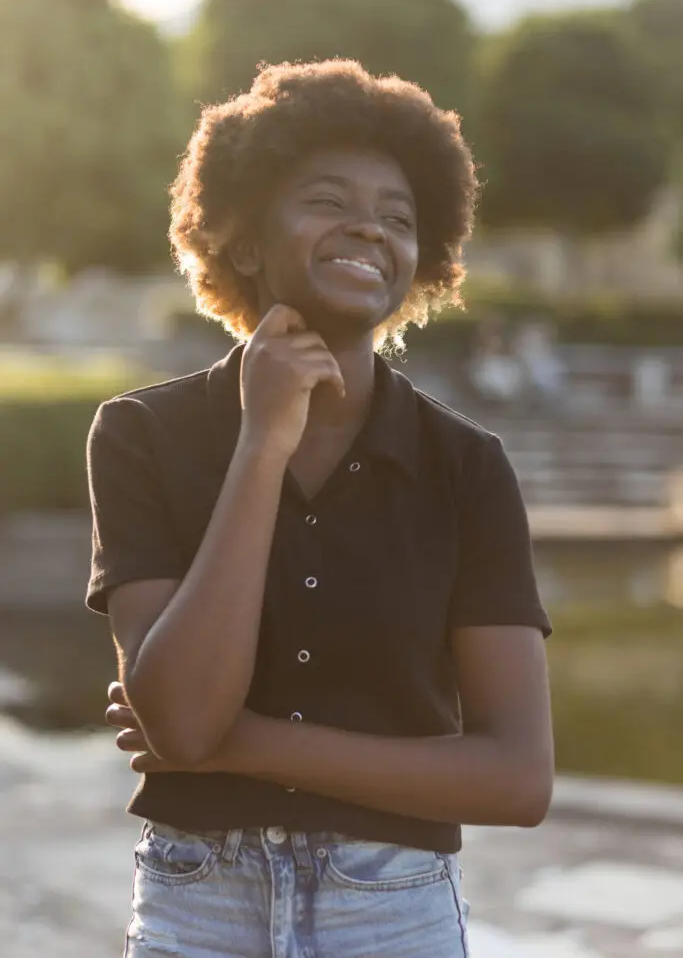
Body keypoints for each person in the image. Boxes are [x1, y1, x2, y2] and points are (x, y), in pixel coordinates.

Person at [86, 59, 554, 958]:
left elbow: (516, 779)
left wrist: (241, 747)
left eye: (397, 216)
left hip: (392, 909)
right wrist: (261, 443)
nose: (367, 228)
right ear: (245, 238)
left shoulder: (467, 467)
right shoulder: (141, 435)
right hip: (197, 904)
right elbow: (178, 721)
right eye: (327, 200)